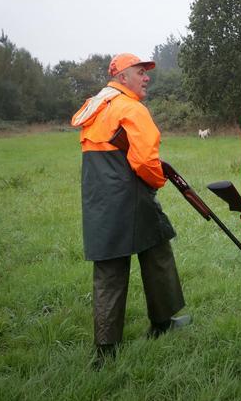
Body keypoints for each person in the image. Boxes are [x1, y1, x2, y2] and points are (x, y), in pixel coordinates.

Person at [71, 53, 191, 367]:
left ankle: (106, 350)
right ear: (123, 77)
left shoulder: (96, 107)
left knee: (109, 270)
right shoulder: (131, 108)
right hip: (132, 196)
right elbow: (145, 163)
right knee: (158, 255)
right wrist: (158, 183)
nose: (146, 77)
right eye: (141, 72)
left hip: (99, 200)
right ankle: (162, 324)